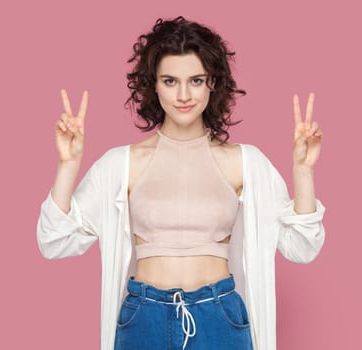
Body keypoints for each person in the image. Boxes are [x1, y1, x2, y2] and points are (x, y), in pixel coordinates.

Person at [37, 16, 326, 350]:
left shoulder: (243, 162)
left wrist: (303, 172)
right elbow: (54, 241)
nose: (184, 94)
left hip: (219, 317)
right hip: (144, 318)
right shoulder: (123, 164)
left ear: (213, 83)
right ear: (154, 85)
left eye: (196, 80)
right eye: (170, 81)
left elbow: (302, 247)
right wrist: (67, 165)